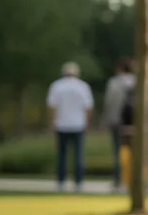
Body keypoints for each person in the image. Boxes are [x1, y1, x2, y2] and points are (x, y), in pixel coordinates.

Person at [47, 61, 94, 192]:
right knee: (78, 156)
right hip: (78, 125)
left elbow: (51, 107)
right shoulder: (83, 87)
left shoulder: (56, 86)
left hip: (61, 124)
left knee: (61, 156)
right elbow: (88, 107)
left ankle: (61, 182)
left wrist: (52, 123)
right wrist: (87, 123)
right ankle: (78, 182)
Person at [101, 57, 136, 191]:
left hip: (118, 122)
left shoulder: (114, 83)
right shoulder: (138, 82)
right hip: (135, 124)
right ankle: (135, 179)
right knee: (135, 152)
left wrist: (105, 121)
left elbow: (109, 103)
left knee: (117, 152)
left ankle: (118, 180)